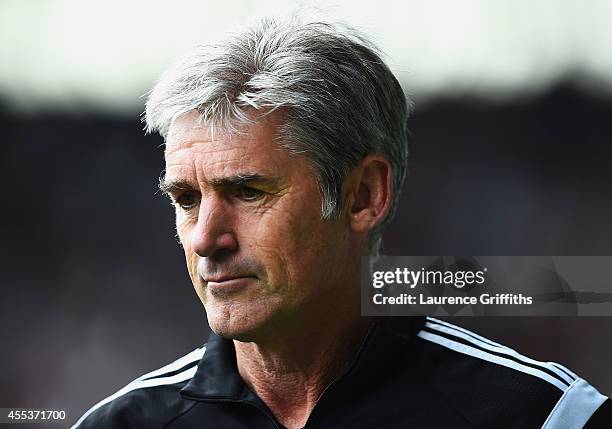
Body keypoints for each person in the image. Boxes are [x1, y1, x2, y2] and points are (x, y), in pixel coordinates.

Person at [72, 17, 611, 429]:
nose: (205, 237)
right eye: (186, 199)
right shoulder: (118, 424)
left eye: (248, 191)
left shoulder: (544, 416)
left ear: (363, 196)